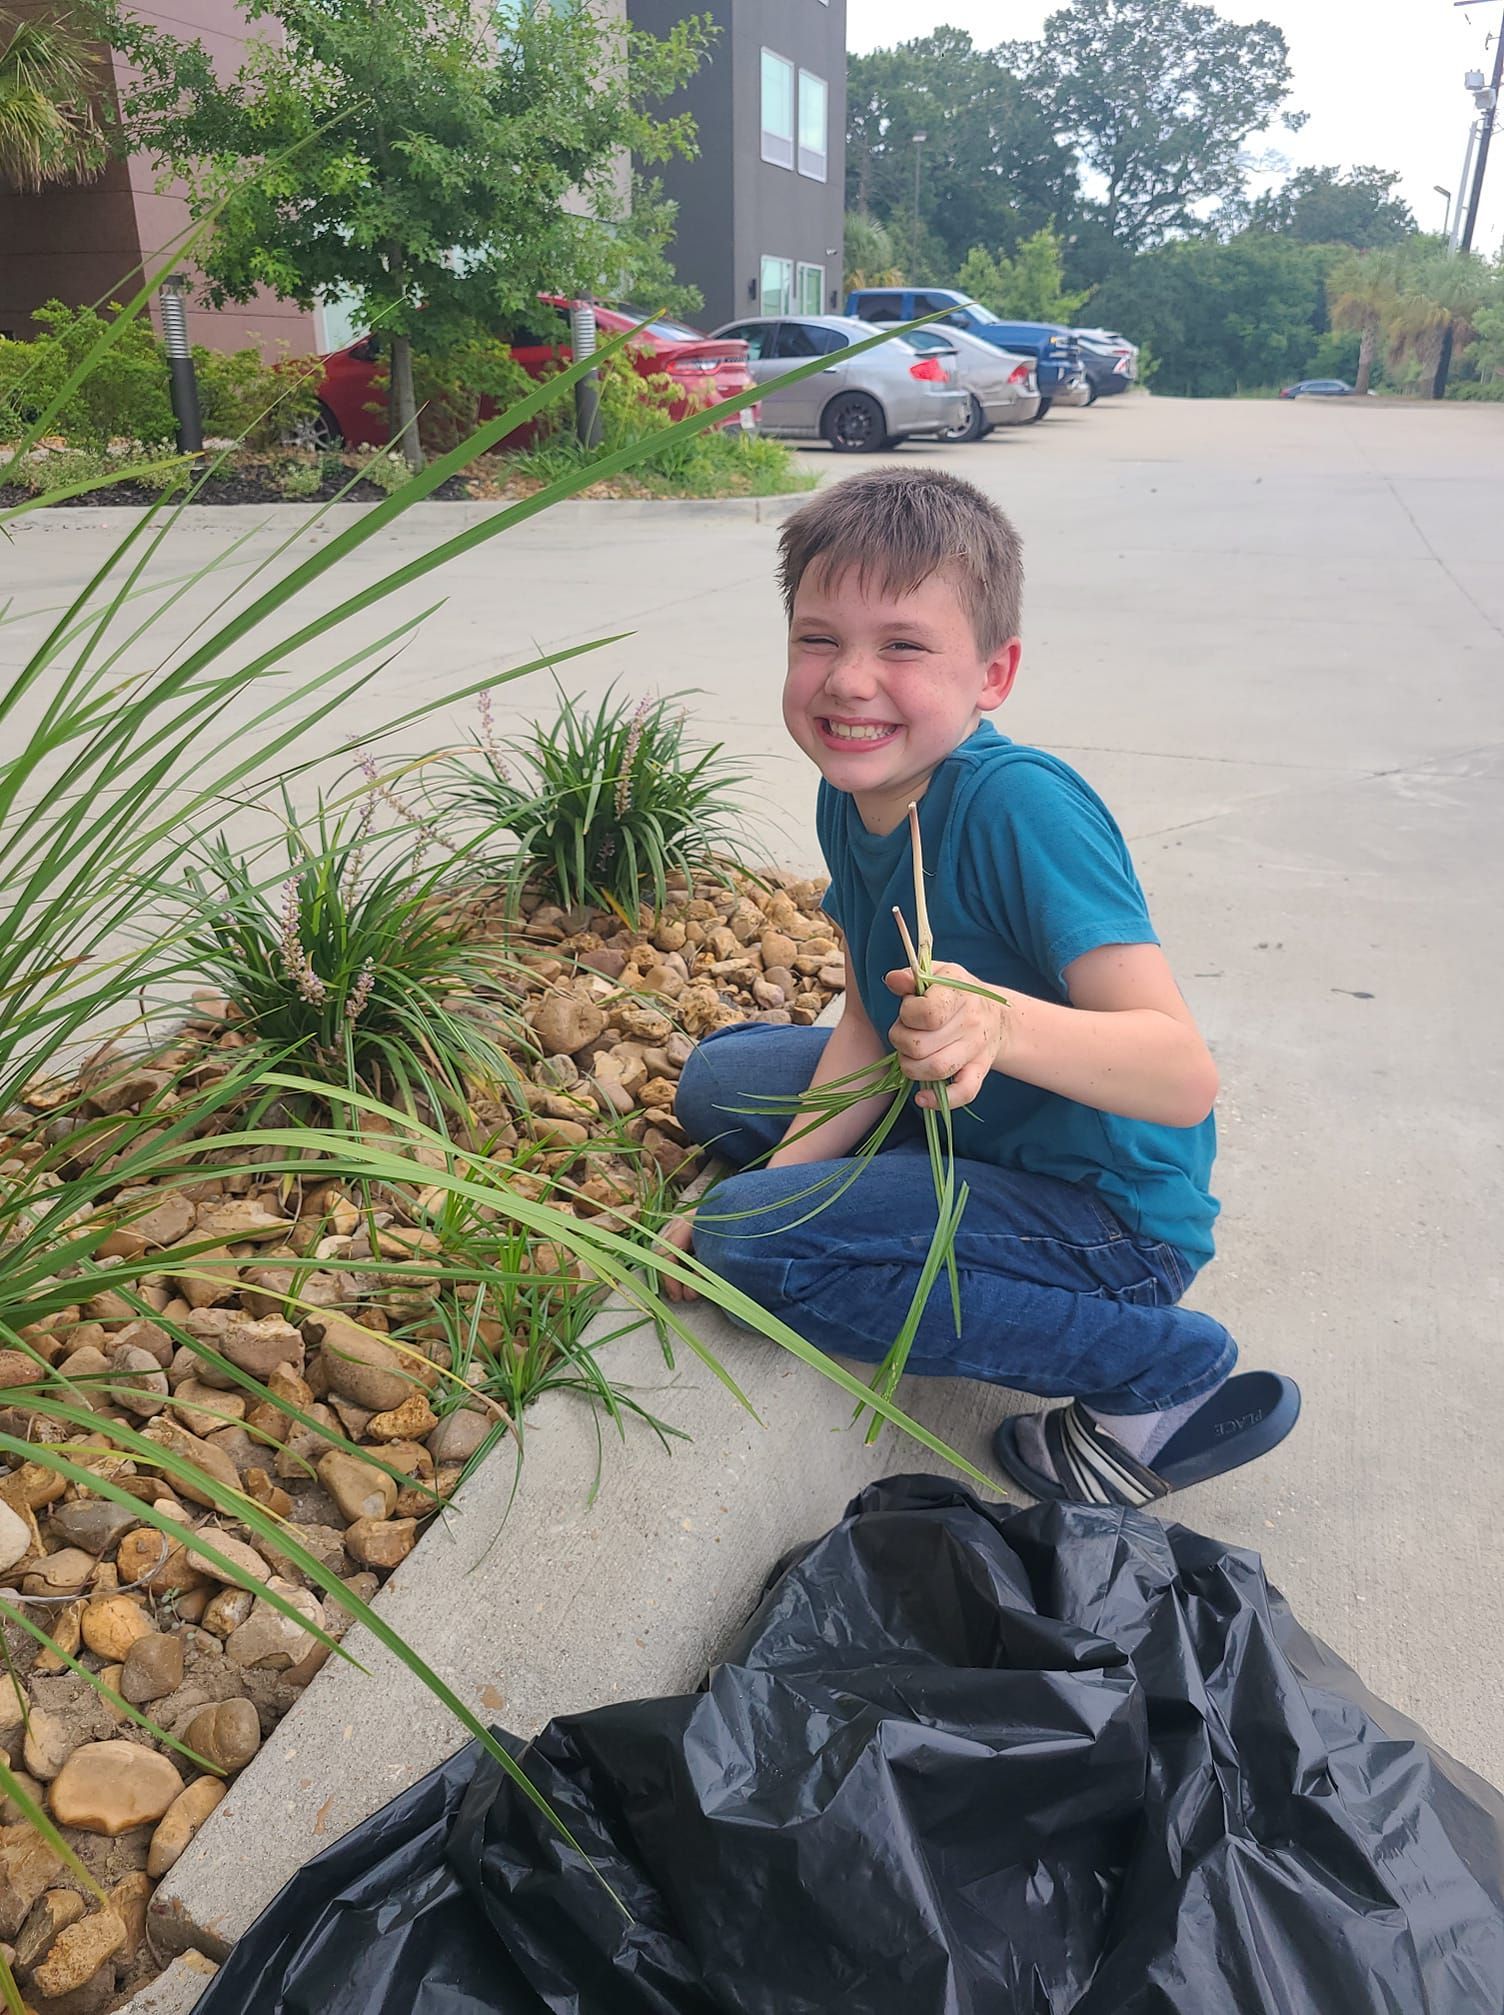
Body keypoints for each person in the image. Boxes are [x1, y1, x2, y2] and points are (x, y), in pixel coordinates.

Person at [659, 467, 1299, 1506]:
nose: (848, 681)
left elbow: (1181, 1074)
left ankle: (1156, 1369)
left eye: (902, 645)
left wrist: (997, 1023)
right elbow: (870, 1013)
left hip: (1103, 1211)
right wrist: (773, 1172)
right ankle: (844, 1195)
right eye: (818, 638)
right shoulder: (851, 790)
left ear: (992, 674)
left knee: (747, 1247)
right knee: (719, 1076)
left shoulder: (1019, 809)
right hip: (973, 1125)